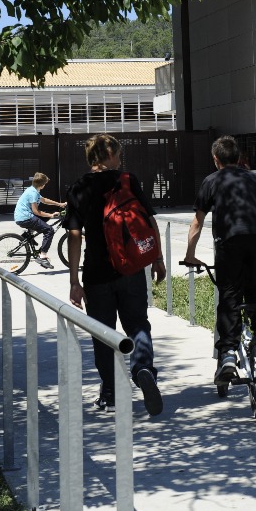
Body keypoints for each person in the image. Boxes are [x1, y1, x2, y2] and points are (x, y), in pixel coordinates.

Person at [65, 134, 166, 415]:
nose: (120, 159)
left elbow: (75, 236)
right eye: (117, 154)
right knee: (137, 325)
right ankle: (143, 368)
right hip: (131, 268)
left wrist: (74, 281)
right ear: (108, 156)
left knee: (103, 334)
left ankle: (110, 393)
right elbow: (148, 221)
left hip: (97, 274)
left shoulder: (77, 189)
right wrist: (157, 258)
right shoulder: (127, 180)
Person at [184, 135, 256, 384]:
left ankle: (227, 354)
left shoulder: (211, 181)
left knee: (229, 294)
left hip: (230, 242)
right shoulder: (254, 178)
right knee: (254, 285)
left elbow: (198, 221)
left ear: (216, 159)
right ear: (239, 158)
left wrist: (190, 255)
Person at [13, 172, 66, 269]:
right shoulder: (33, 193)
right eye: (45, 184)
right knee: (49, 230)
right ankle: (42, 256)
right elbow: (36, 211)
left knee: (45, 217)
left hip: (23, 216)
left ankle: (28, 235)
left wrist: (59, 204)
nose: (45, 185)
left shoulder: (33, 189)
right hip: (25, 218)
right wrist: (51, 214)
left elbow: (44, 200)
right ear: (42, 185)